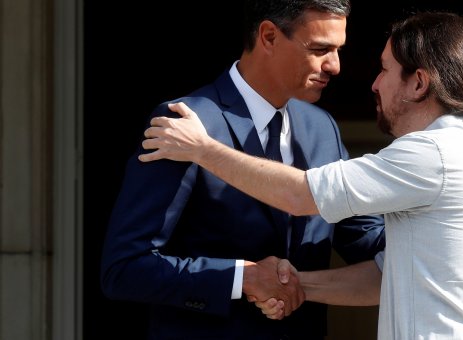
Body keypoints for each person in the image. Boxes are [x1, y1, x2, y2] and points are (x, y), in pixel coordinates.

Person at [138, 10, 463, 339]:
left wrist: (202, 148)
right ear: (268, 37)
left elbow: (300, 195)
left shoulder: (434, 152)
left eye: (384, 70)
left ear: (419, 83)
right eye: (320, 48)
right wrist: (286, 283)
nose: (372, 82)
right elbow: (385, 275)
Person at [100, 0, 386, 339]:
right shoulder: (185, 123)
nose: (335, 66)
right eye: (320, 49)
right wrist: (240, 278)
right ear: (268, 36)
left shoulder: (321, 127)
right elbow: (125, 268)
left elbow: (364, 235)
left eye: (338, 49)